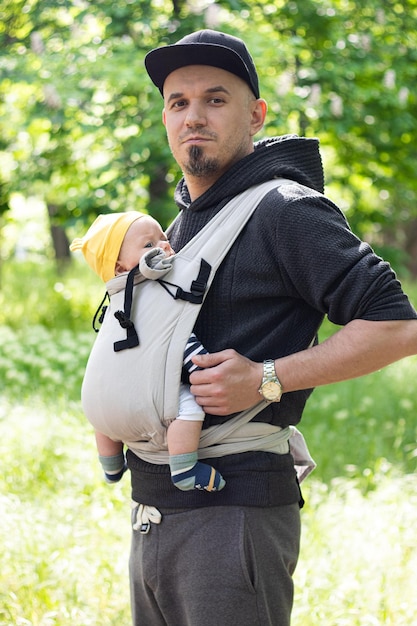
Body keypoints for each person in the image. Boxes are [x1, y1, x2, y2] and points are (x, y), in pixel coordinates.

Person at [82, 29, 417, 626]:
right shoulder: (178, 228)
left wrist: (268, 378)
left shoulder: (284, 209)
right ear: (164, 117)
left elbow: (397, 326)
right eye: (178, 103)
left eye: (215, 99)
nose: (193, 117)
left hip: (231, 511)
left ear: (256, 115)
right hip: (153, 509)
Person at [70, 211, 226, 492]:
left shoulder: (113, 303)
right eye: (149, 245)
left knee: (105, 412)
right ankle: (184, 468)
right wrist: (202, 367)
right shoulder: (159, 292)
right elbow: (175, 338)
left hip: (99, 407)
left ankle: (111, 465)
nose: (164, 246)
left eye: (164, 239)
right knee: (189, 406)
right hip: (142, 400)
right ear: (119, 268)